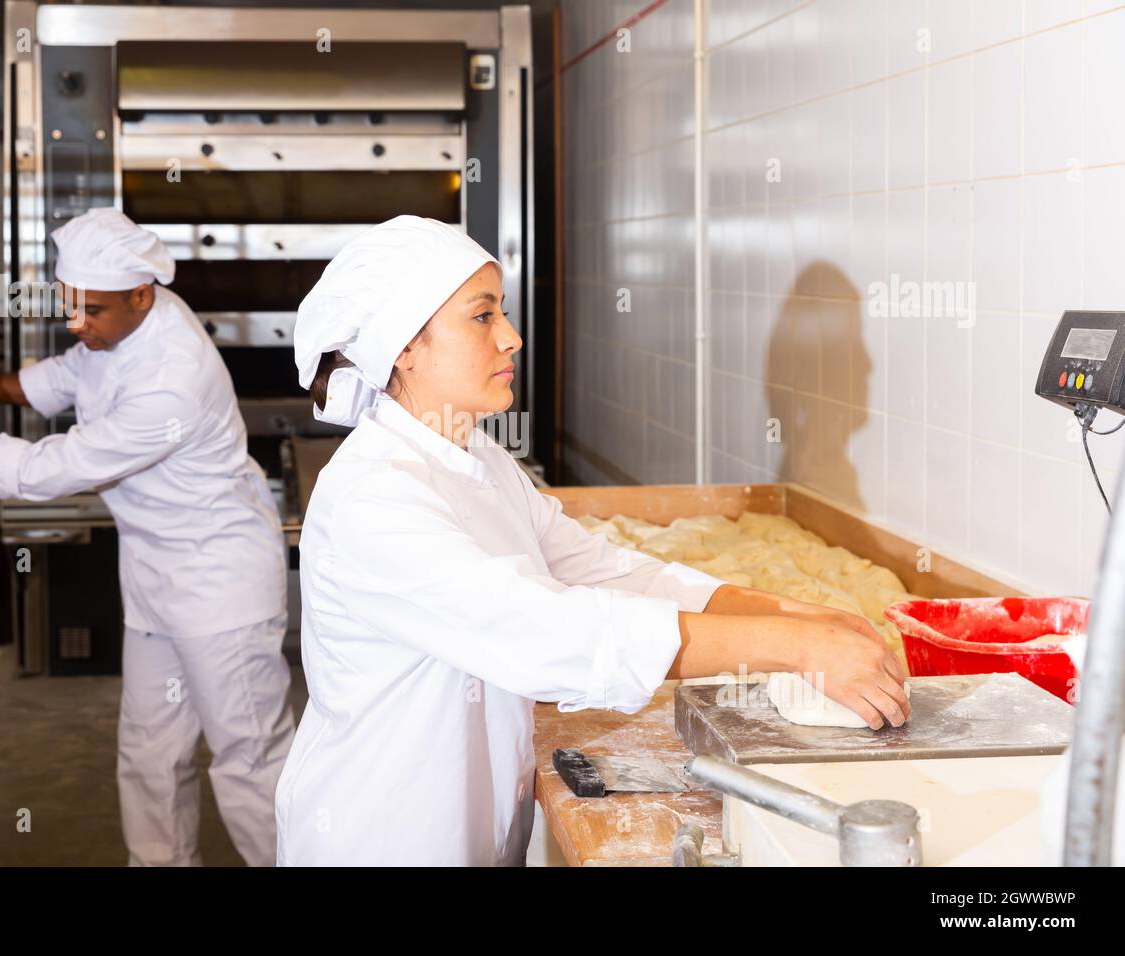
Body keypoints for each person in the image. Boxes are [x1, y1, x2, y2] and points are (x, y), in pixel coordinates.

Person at [275, 215, 909, 866]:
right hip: (379, 841)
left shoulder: (479, 460)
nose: (512, 338)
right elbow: (546, 630)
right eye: (482, 317)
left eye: (503, 314)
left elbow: (604, 573)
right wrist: (793, 649)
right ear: (402, 345)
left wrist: (795, 615)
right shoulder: (374, 498)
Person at [0, 207, 294, 866]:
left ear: (140, 295)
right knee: (150, 752)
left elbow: (47, 470)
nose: (77, 323)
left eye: (90, 311)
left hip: (220, 586)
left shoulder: (171, 381)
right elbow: (62, 376)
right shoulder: (119, 326)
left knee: (249, 763)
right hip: (157, 578)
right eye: (71, 306)